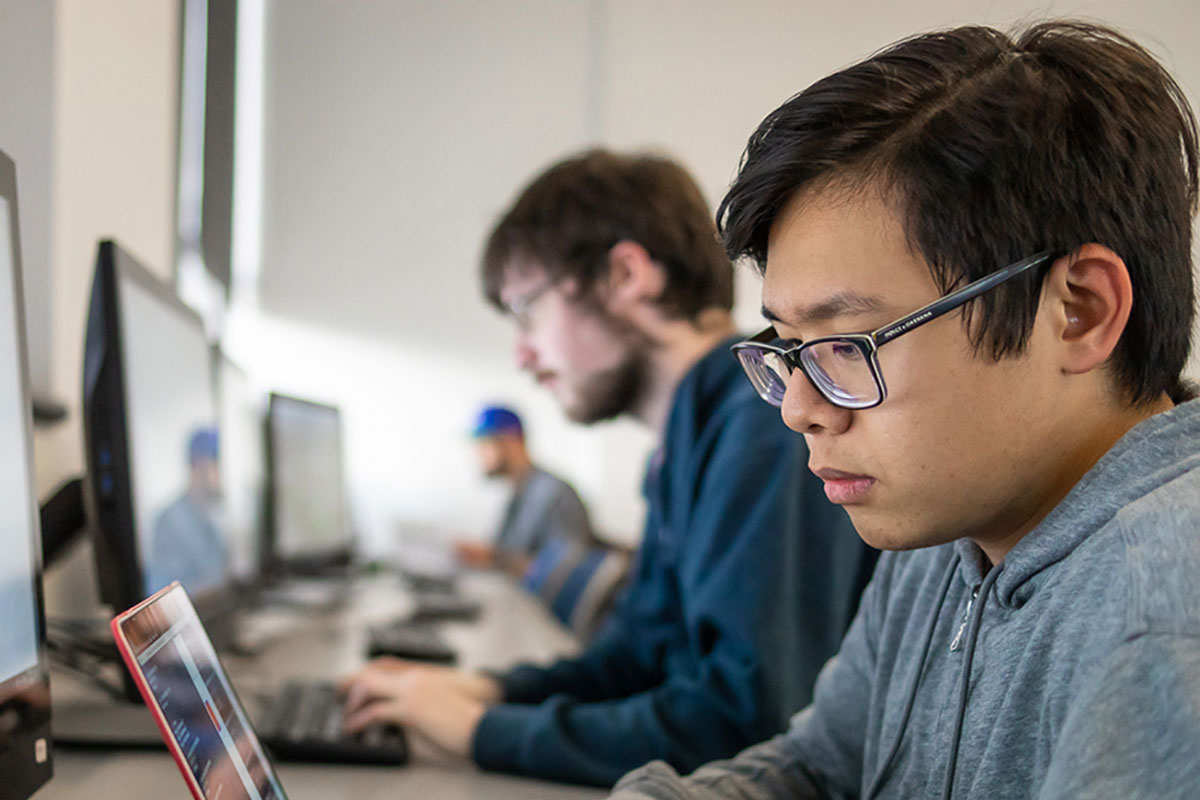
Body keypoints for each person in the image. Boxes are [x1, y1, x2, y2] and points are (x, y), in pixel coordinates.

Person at [611, 20, 1200, 799]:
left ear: (1080, 311)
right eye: (789, 349)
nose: (799, 410)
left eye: (849, 343)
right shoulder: (950, 529)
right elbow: (819, 770)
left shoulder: (1156, 623)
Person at [340, 150, 877, 786]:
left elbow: (744, 719)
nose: (522, 355)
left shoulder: (762, 429)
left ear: (625, 275)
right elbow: (634, 659)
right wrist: (485, 691)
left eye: (526, 312)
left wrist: (482, 732)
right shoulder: (689, 440)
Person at [454, 404, 594, 578]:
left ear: (512, 442)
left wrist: (495, 559)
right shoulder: (519, 492)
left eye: (484, 443)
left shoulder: (554, 494)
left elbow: (566, 574)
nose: (477, 454)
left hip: (536, 604)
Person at [146, 427, 228, 594]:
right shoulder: (170, 522)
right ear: (199, 465)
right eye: (218, 464)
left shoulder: (210, 521)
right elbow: (163, 595)